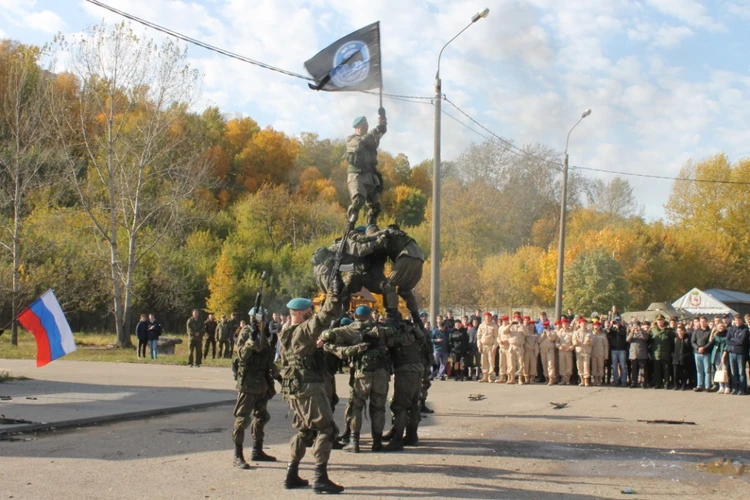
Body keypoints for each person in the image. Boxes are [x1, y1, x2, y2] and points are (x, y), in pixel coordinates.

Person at [279, 290, 345, 494]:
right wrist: (334, 297)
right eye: (308, 311)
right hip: (309, 388)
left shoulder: (287, 333)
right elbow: (322, 320)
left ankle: (291, 474)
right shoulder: (300, 331)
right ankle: (320, 477)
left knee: (305, 431)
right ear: (298, 313)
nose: (311, 313)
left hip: (296, 390)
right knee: (327, 429)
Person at [322, 305, 390, 453]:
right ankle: (377, 442)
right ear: (370, 315)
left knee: (356, 407)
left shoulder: (350, 329)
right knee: (378, 408)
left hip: (361, 373)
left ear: (356, 316)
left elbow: (327, 335)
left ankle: (354, 441)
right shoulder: (380, 329)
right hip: (381, 372)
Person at [232, 311, 278, 469]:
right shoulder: (246, 333)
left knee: (262, 416)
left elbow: (267, 358)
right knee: (242, 419)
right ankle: (237, 455)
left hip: (262, 382)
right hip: (248, 383)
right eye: (261, 319)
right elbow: (242, 356)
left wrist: (278, 375)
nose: (264, 321)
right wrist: (250, 341)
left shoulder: (265, 334)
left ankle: (257, 450)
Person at [383, 318, 424, 452]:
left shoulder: (397, 337)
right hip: (417, 371)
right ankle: (412, 436)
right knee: (413, 404)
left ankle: (397, 440)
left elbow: (386, 342)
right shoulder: (415, 334)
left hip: (405, 372)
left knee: (399, 406)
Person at [345, 108, 387, 226]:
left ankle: (371, 229)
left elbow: (381, 130)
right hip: (357, 177)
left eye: (367, 124)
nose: (366, 127)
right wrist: (374, 131)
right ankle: (350, 227)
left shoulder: (371, 139)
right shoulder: (351, 139)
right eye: (364, 125)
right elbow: (359, 144)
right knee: (358, 202)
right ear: (357, 127)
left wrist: (382, 119)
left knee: (376, 208)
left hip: (370, 177)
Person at [724, 314, 749, 395]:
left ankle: (742, 389)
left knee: (741, 372)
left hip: (741, 353)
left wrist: (732, 340)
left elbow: (741, 341)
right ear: (734, 321)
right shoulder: (731, 329)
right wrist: (735, 340)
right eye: (736, 320)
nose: (737, 322)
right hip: (731, 353)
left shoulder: (745, 330)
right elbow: (727, 340)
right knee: (733, 372)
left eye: (739, 320)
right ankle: (734, 388)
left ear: (742, 321)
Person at [650, 314, 674, 389]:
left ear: (664, 321)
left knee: (666, 369)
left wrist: (672, 352)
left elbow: (672, 341)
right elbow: (650, 341)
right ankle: (658, 383)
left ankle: (666, 383)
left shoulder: (669, 330)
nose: (660, 322)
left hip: (666, 353)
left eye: (661, 320)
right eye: (658, 320)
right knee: (657, 369)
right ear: (656, 321)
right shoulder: (653, 330)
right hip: (656, 353)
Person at [691, 316, 713, 392]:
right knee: (699, 370)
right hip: (697, 353)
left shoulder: (710, 331)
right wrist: (698, 348)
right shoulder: (696, 331)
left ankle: (707, 386)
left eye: (704, 321)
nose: (702, 323)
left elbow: (711, 342)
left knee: (707, 370)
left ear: (706, 322)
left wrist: (704, 348)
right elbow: (693, 341)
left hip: (706, 353)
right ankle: (699, 385)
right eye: (701, 321)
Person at [627, 320, 649, 389]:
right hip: (633, 354)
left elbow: (645, 338)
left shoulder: (644, 332)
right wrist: (632, 332)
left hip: (642, 354)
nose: (635, 327)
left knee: (643, 370)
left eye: (637, 325)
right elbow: (628, 340)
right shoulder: (631, 333)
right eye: (634, 325)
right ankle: (634, 382)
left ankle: (643, 382)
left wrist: (640, 331)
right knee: (634, 369)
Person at [505, 314, 526, 385]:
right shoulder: (510, 327)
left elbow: (526, 333)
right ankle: (512, 378)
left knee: (520, 363)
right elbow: (504, 332)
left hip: (519, 346)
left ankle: (520, 378)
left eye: (518, 319)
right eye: (515, 319)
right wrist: (510, 324)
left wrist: (521, 325)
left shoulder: (522, 326)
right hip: (512, 347)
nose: (517, 320)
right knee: (511, 363)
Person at [476, 312, 497, 383]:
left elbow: (496, 337)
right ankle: (484, 376)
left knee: (491, 362)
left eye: (488, 317)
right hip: (483, 346)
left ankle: (490, 377)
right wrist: (479, 346)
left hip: (490, 346)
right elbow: (478, 337)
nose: (487, 318)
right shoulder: (481, 325)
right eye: (486, 317)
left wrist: (495, 346)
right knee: (483, 362)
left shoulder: (494, 326)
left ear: (491, 318)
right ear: (484, 318)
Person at [608, 318, 629, 386]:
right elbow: (608, 333)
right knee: (614, 366)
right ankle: (616, 380)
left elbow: (622, 333)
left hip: (622, 350)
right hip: (613, 349)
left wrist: (617, 328)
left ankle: (624, 381)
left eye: (617, 322)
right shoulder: (612, 329)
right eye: (615, 322)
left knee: (623, 366)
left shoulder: (623, 328)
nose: (616, 323)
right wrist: (611, 325)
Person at [710, 321, 728, 394]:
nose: (721, 328)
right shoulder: (716, 334)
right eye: (719, 327)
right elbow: (710, 341)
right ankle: (721, 387)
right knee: (718, 370)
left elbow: (727, 344)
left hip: (724, 353)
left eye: (722, 327)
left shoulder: (727, 334)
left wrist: (724, 355)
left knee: (725, 370)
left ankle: (727, 386)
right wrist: (712, 332)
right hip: (716, 353)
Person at [672, 324, 691, 390]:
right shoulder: (675, 339)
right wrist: (673, 355)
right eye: (678, 331)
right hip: (676, 359)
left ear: (683, 331)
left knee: (684, 373)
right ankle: (676, 385)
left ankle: (683, 385)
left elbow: (689, 350)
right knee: (675, 373)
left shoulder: (686, 339)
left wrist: (686, 356)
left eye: (681, 331)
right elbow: (672, 349)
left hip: (684, 359)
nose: (679, 332)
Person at [590, 320, 609, 386]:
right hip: (593, 353)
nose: (596, 327)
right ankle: (595, 380)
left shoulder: (603, 335)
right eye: (595, 326)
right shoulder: (591, 334)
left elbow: (606, 345)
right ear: (593, 326)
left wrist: (606, 354)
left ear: (600, 327)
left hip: (601, 353)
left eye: (598, 326)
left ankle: (600, 380)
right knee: (594, 367)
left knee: (600, 367)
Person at [556, 318, 575, 385]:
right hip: (561, 351)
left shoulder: (572, 332)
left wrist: (571, 347)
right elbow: (556, 342)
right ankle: (563, 379)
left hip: (568, 350)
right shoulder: (559, 332)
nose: (565, 325)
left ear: (568, 324)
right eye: (563, 324)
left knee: (569, 365)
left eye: (566, 324)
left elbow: (574, 342)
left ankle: (568, 380)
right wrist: (559, 346)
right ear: (562, 324)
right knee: (562, 365)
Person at [521, 316, 539, 384]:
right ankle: (526, 378)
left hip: (533, 351)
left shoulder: (536, 334)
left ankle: (532, 378)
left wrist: (536, 351)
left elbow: (537, 343)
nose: (531, 326)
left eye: (533, 325)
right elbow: (524, 341)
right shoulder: (526, 333)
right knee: (526, 364)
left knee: (533, 365)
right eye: (530, 325)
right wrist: (528, 346)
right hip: (526, 351)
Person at [539, 320, 558, 385]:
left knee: (550, 365)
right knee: (544, 365)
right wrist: (543, 335)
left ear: (549, 326)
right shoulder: (541, 333)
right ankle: (546, 378)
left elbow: (552, 338)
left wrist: (548, 332)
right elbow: (538, 341)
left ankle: (551, 379)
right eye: (544, 326)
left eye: (546, 326)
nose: (545, 327)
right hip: (543, 350)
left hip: (550, 350)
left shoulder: (553, 332)